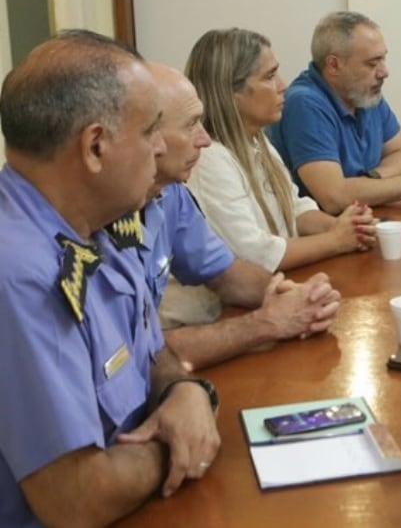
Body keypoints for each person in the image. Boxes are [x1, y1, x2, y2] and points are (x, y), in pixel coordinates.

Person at [0, 30, 219, 527]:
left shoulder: (100, 226)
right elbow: (78, 500)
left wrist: (182, 393)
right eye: (150, 132)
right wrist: (174, 444)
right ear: (95, 146)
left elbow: (151, 349)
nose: (162, 147)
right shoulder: (18, 276)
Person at [141, 62, 342, 372]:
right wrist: (264, 323)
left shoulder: (170, 194)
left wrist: (294, 296)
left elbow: (225, 273)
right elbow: (139, 353)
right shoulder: (85, 229)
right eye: (190, 124)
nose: (204, 140)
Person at [185, 28, 377, 273]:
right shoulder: (210, 159)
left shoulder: (258, 141)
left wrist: (345, 226)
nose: (282, 86)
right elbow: (255, 254)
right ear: (232, 92)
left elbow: (294, 209)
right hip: (221, 310)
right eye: (269, 77)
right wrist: (336, 240)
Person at [269, 11, 401, 211]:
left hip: (367, 219)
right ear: (334, 65)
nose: (384, 72)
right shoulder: (304, 103)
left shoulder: (364, 93)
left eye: (383, 59)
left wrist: (369, 181)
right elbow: (334, 197)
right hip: (322, 233)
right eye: (372, 63)